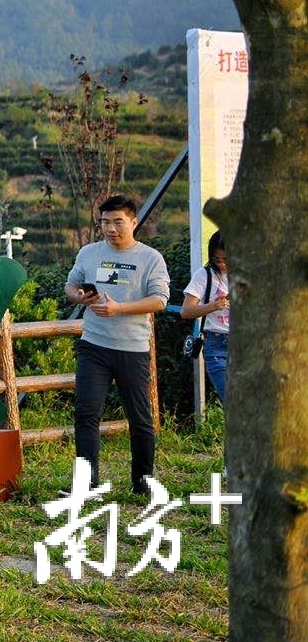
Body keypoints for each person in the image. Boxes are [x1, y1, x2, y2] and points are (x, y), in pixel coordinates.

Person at [65, 194, 170, 494]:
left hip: (133, 349)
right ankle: (86, 483)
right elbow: (70, 286)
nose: (111, 228)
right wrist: (79, 297)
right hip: (93, 345)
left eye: (118, 222)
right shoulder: (88, 253)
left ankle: (142, 482)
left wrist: (119, 308)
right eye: (105, 222)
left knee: (140, 419)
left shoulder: (150, 258)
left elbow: (160, 300)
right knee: (86, 414)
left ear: (133, 223)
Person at [180, 230, 232, 402]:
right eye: (218, 260)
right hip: (217, 345)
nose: (222, 264)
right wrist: (213, 306)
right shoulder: (205, 275)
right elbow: (186, 311)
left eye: (227, 259)